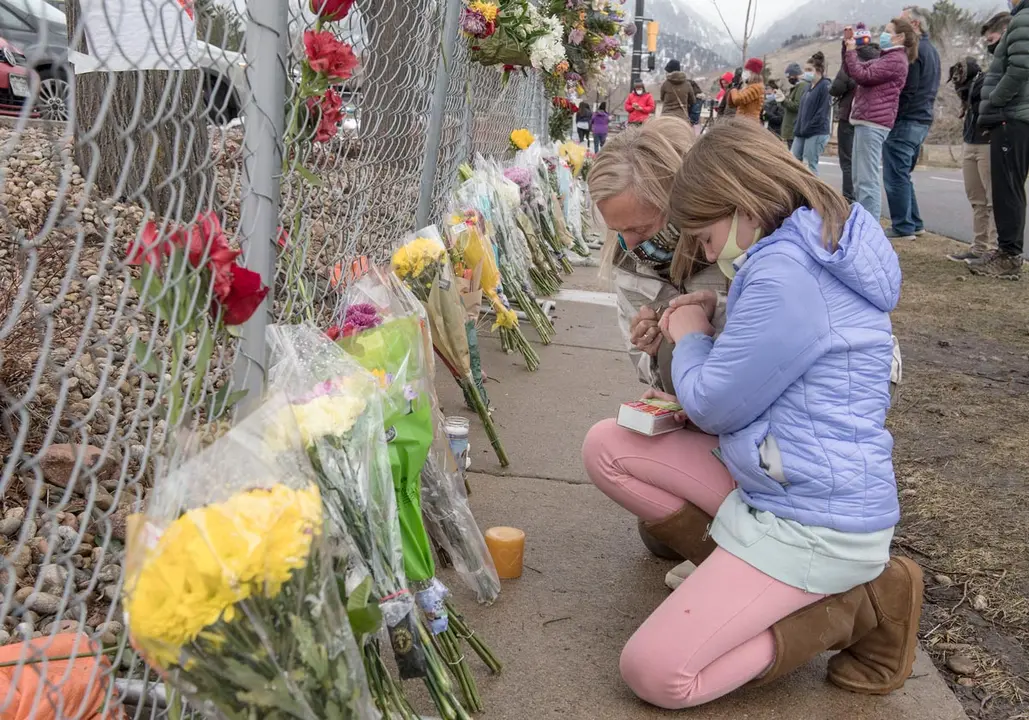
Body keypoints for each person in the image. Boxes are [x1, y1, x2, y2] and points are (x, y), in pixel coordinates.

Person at [582, 118, 917, 710]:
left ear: (736, 206)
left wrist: (686, 336)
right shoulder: (800, 246)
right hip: (778, 476)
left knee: (655, 673)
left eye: (703, 236)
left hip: (808, 511)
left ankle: (850, 609)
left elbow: (713, 403)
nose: (704, 249)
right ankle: (749, 583)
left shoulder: (782, 272)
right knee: (608, 446)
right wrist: (715, 311)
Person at [587, 115, 728, 404]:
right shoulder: (628, 268)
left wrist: (716, 315)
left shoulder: (729, 244)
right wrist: (653, 354)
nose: (628, 243)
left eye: (639, 229)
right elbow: (650, 373)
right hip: (697, 405)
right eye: (617, 230)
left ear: (678, 202)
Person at [973, 2, 1027, 280]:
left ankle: (1009, 255)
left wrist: (995, 100)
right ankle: (1008, 252)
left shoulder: (1023, 20)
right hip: (1016, 115)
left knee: (1007, 187)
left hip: (1013, 115)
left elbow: (1020, 68)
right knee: (1010, 186)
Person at [844, 18, 916, 221]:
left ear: (899, 36)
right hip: (866, 120)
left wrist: (851, 52)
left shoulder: (895, 60)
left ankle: (870, 227)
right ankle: (862, 222)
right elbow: (855, 69)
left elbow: (862, 75)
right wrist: (847, 48)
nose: (883, 34)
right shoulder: (887, 57)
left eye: (887, 31)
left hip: (873, 122)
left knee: (867, 180)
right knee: (859, 179)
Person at [882, 6, 941, 241]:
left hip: (907, 119)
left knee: (895, 174)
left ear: (914, 25)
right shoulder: (932, 50)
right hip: (922, 118)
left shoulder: (915, 52)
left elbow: (908, 90)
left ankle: (903, 226)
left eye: (903, 22)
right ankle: (914, 223)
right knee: (903, 173)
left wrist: (892, 114)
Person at [948, 54, 996, 263]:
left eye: (960, 73)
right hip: (970, 141)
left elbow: (982, 98)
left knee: (993, 200)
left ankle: (994, 249)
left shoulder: (983, 83)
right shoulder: (966, 90)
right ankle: (978, 247)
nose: (957, 78)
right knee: (977, 200)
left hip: (987, 143)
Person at [831, 24, 882, 202]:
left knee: (847, 160)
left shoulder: (852, 62)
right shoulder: (881, 59)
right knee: (866, 164)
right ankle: (863, 200)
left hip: (849, 115)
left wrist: (846, 52)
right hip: (872, 117)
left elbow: (836, 88)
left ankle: (849, 198)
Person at [792, 52, 832, 174]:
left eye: (809, 69)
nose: (806, 72)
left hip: (815, 131)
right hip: (801, 131)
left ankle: (814, 191)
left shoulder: (825, 86)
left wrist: (808, 127)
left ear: (818, 70)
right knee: (793, 161)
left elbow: (822, 112)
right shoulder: (808, 87)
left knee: (810, 165)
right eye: (805, 70)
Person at [782, 62, 809, 147]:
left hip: (794, 127)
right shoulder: (798, 86)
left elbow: (797, 106)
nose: (789, 79)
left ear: (795, 74)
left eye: (789, 76)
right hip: (793, 127)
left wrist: (783, 100)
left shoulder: (802, 86)